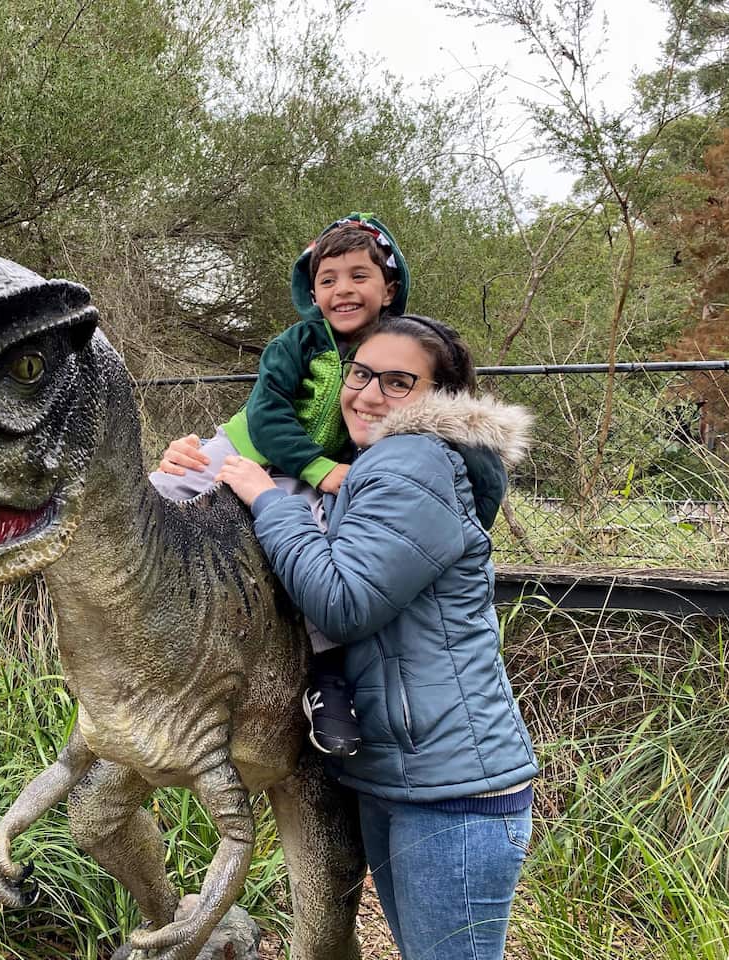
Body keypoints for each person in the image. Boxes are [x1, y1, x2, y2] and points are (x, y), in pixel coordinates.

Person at [210, 313, 538, 960]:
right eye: (360, 373)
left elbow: (343, 598)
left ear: (438, 398)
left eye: (396, 382)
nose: (366, 393)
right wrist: (201, 467)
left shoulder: (412, 463)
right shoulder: (363, 463)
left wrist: (263, 497)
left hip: (454, 794)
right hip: (401, 778)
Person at [152, 212, 412, 758]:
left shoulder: (393, 354)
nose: (342, 289)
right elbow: (268, 419)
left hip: (312, 475)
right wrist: (322, 470)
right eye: (328, 279)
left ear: (388, 288)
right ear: (312, 291)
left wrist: (323, 475)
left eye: (358, 276)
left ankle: (327, 679)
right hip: (244, 449)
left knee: (319, 551)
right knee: (159, 491)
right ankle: (148, 617)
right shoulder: (295, 343)